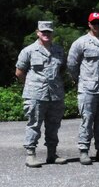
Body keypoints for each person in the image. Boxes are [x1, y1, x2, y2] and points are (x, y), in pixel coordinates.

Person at [15, 21, 67, 167]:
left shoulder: (58, 50)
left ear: (52, 33)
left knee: (54, 125)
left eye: (48, 32)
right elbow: (19, 72)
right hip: (35, 94)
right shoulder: (29, 51)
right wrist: (32, 85)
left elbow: (61, 69)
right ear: (38, 32)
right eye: (43, 32)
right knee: (34, 124)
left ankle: (52, 154)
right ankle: (30, 154)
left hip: (55, 95)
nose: (46, 34)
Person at [67, 12, 99, 165]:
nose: (96, 25)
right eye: (93, 22)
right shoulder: (80, 42)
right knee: (87, 120)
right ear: (89, 24)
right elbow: (72, 64)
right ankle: (84, 150)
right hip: (88, 88)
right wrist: (81, 80)